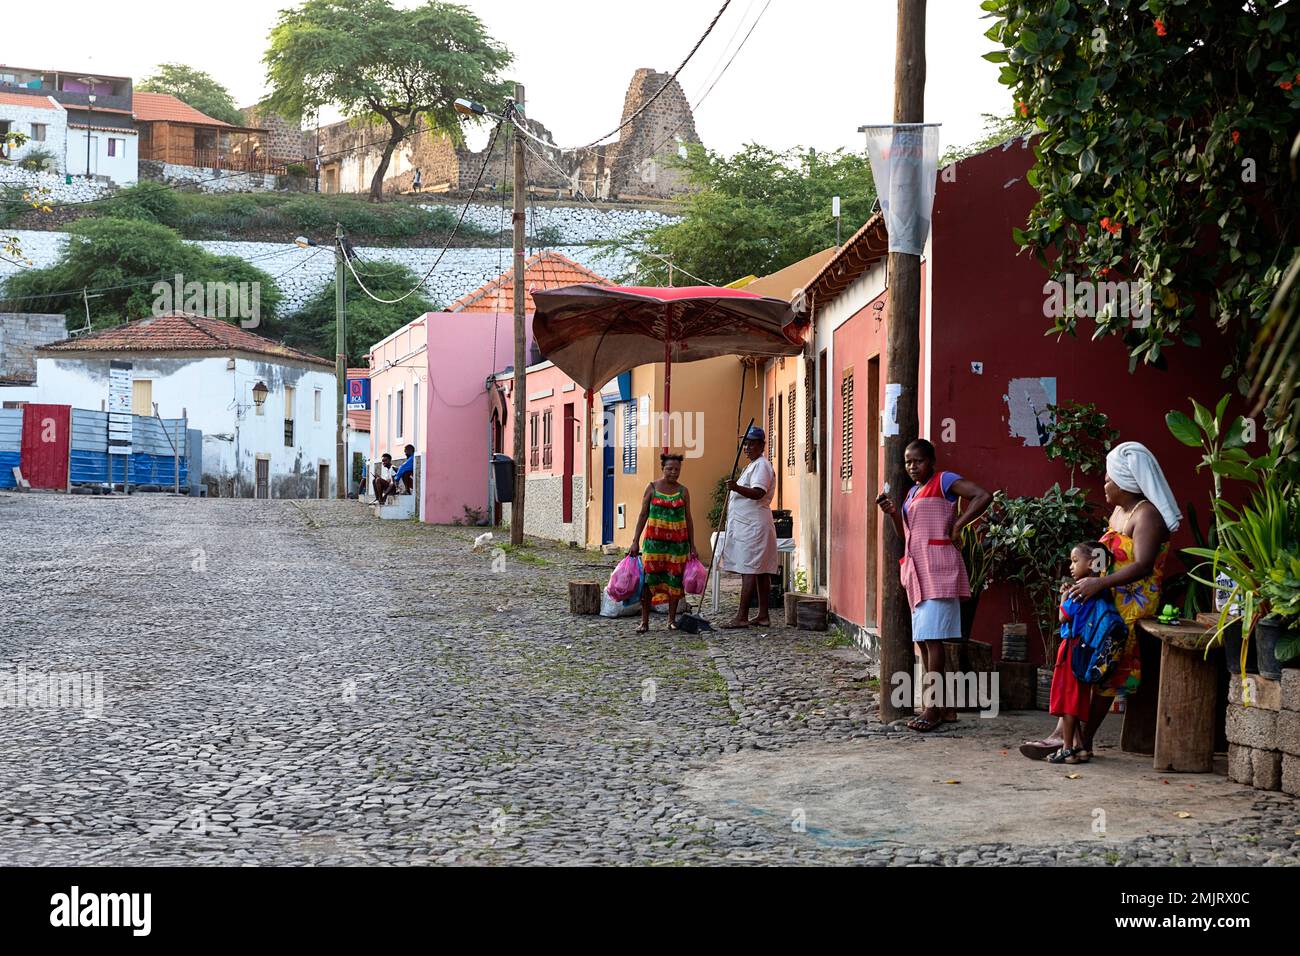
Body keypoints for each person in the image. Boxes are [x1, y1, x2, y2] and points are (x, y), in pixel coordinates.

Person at [1020, 441, 1180, 759]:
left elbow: (1143, 565)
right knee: (1083, 660)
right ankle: (1068, 735)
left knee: (1106, 667)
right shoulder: (1120, 511)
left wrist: (1098, 584)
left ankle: (1083, 737)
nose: (1104, 484)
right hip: (1106, 597)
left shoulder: (1146, 515)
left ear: (1125, 481)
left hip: (1131, 604)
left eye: (1108, 478)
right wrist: (1081, 585)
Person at [877, 438, 992, 732]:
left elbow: (982, 495)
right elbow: (905, 537)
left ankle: (932, 709)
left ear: (932, 462)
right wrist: (892, 513)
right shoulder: (912, 493)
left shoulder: (944, 481)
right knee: (925, 640)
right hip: (918, 573)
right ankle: (944, 707)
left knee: (933, 640)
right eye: (908, 462)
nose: (913, 466)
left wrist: (959, 524)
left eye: (918, 461)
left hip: (939, 570)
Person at [1049, 541, 1123, 764]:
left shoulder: (1081, 591)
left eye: (1074, 561)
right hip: (1088, 651)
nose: (1071, 567)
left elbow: (1063, 617)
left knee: (1068, 701)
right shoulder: (1103, 592)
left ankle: (1067, 748)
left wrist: (1063, 597)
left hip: (1072, 650)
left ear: (1091, 563)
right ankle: (1080, 748)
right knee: (1079, 698)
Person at [628, 452, 697, 633]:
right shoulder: (652, 488)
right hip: (653, 545)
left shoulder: (684, 491)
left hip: (677, 546)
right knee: (649, 582)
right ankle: (644, 621)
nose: (673, 472)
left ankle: (671, 620)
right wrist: (635, 541)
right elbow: (643, 515)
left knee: (675, 582)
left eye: (677, 469)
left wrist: (693, 545)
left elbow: (688, 519)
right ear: (662, 468)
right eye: (669, 469)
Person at [719, 427, 779, 629]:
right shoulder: (754, 465)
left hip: (753, 527)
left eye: (752, 443)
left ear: (762, 445)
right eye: (746, 443)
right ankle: (763, 615)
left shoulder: (761, 466)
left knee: (750, 569)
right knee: (760, 570)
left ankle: (742, 616)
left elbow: (758, 492)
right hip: (750, 525)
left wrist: (736, 488)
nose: (747, 447)